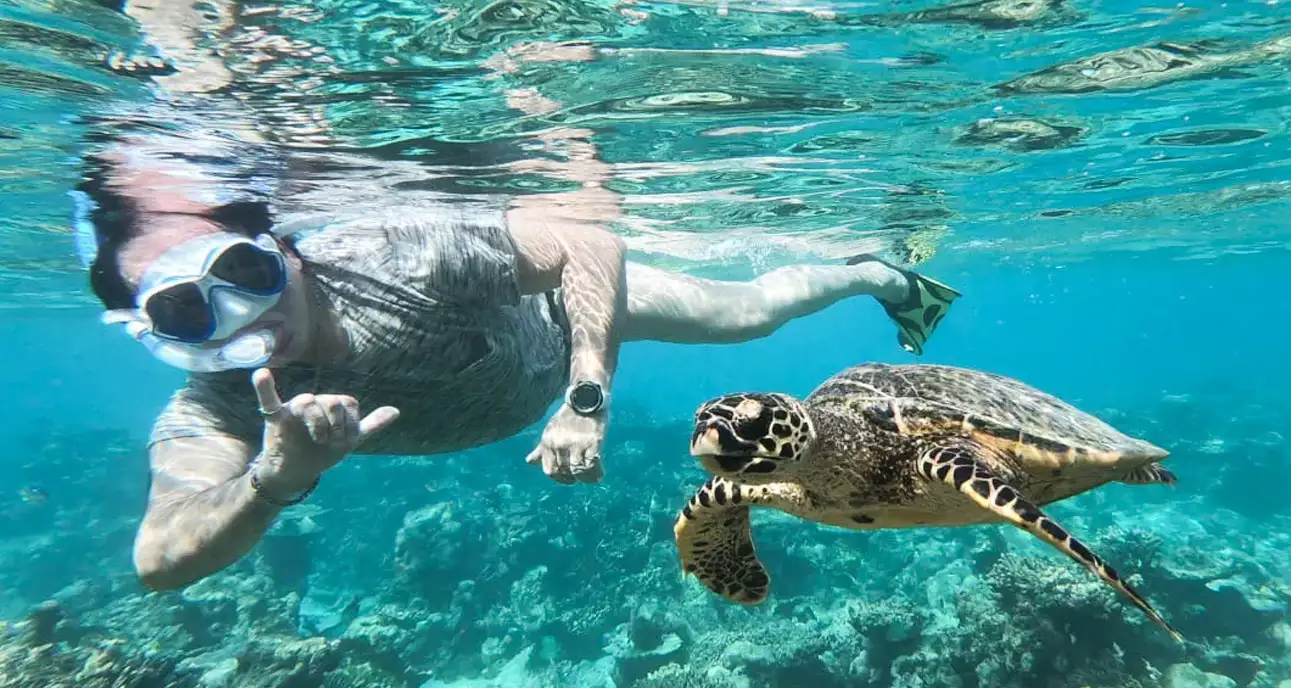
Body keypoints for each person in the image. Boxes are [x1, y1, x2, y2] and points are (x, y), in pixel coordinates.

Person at [76, 4, 962, 593]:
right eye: (187, 312)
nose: (240, 317)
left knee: (745, 315)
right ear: (153, 335)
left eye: (239, 272)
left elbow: (589, 238)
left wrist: (586, 394)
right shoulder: (223, 403)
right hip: (513, 387)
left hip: (556, 325)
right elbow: (159, 558)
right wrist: (271, 482)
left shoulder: (398, 253)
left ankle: (874, 272)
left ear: (279, 246)